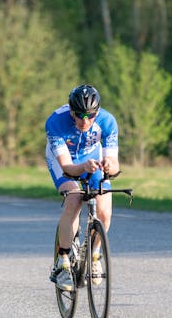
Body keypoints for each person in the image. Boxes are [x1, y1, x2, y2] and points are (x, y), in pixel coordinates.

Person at [45, 84, 120, 291]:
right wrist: (82, 168)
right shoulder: (56, 122)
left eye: (90, 115)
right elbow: (67, 166)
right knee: (74, 198)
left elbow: (114, 164)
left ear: (97, 112)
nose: (84, 121)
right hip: (64, 161)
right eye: (78, 115)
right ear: (71, 111)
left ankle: (95, 254)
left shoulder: (107, 121)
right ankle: (63, 262)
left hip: (92, 160)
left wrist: (108, 166)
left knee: (104, 211)